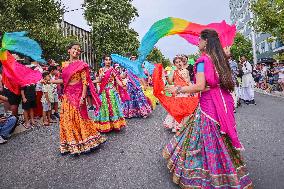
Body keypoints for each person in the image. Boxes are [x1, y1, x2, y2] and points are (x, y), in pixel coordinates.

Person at [163, 29, 252, 188]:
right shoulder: (220, 60)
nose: (198, 42)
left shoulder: (203, 61)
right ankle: (229, 172)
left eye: (199, 40)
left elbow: (200, 86)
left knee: (206, 138)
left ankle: (208, 174)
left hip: (209, 106)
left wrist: (177, 89)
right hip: (223, 101)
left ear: (206, 42)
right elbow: (213, 84)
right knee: (222, 137)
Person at [49, 42, 106, 155]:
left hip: (78, 94)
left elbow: (85, 82)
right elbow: (64, 81)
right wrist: (51, 81)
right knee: (67, 119)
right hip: (67, 95)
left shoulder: (82, 64)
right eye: (74, 49)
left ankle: (87, 140)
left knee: (80, 117)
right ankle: (71, 143)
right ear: (69, 50)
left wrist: (83, 96)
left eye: (79, 50)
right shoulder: (65, 65)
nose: (77, 51)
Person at [94, 55, 127, 132]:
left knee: (113, 107)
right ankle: (106, 125)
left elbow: (117, 80)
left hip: (111, 91)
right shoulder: (101, 70)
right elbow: (99, 80)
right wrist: (90, 82)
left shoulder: (113, 70)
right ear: (103, 61)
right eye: (106, 60)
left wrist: (123, 86)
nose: (108, 61)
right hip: (103, 91)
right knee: (104, 108)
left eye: (109, 60)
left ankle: (114, 124)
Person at [163, 56, 192, 132]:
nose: (179, 63)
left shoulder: (186, 71)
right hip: (177, 92)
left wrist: (191, 90)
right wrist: (167, 77)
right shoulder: (174, 71)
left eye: (180, 62)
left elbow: (188, 81)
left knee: (185, 108)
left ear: (182, 62)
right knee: (177, 109)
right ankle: (177, 126)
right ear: (174, 64)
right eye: (177, 62)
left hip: (185, 91)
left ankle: (184, 124)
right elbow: (170, 82)